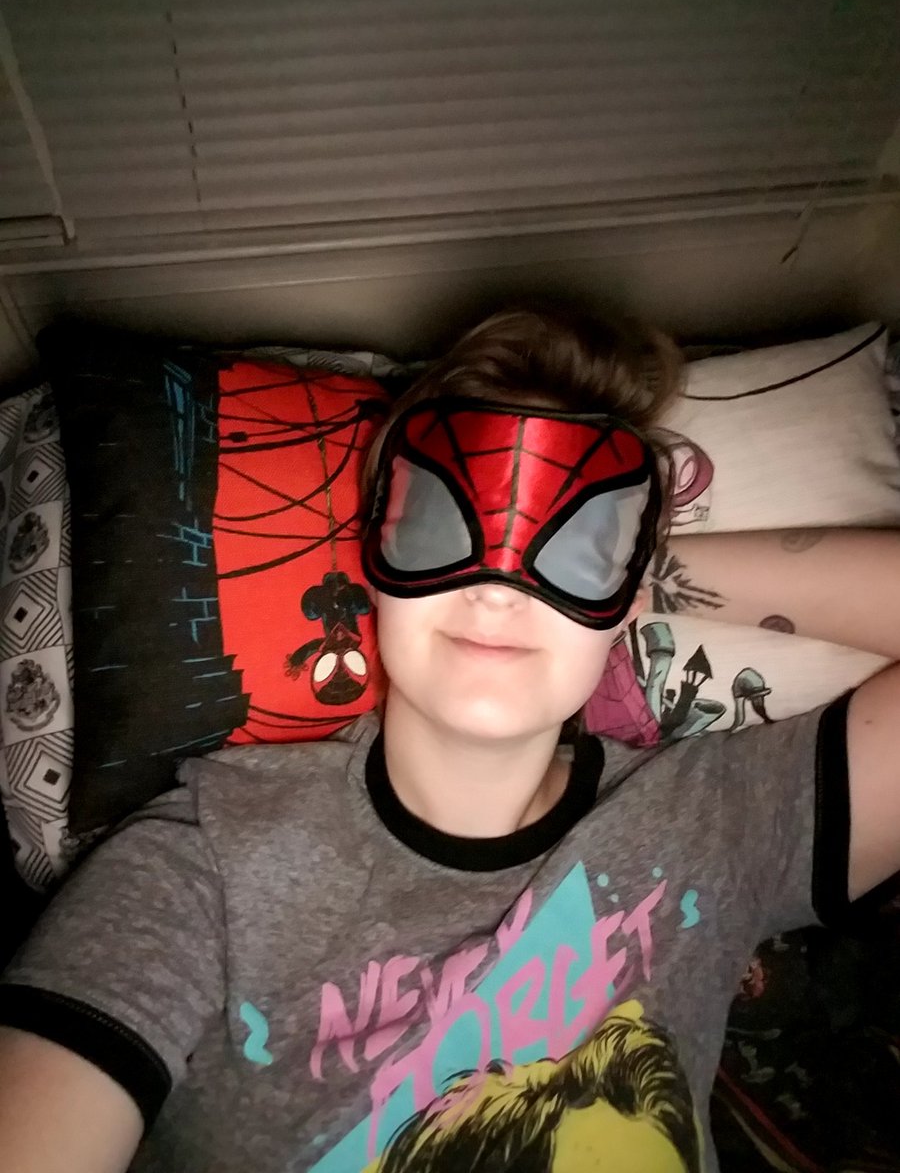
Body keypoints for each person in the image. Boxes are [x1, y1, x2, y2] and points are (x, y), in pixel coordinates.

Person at [0, 308, 898, 1173]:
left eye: (580, 540)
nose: (498, 590)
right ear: (373, 560)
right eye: (440, 520)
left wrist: (637, 572)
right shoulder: (200, 866)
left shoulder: (713, 823)